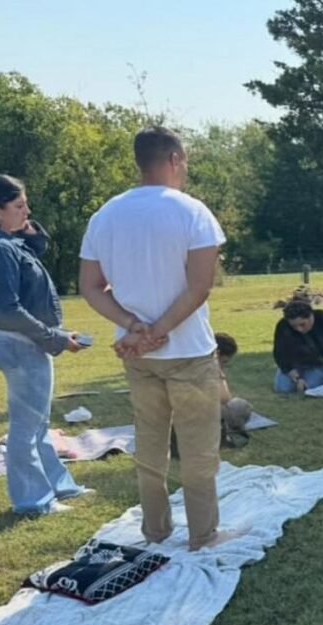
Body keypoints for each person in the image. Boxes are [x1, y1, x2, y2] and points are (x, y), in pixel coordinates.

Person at [79, 127, 228, 551]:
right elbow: (199, 287)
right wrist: (157, 332)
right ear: (175, 159)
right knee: (198, 451)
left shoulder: (105, 215)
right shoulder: (192, 211)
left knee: (150, 446)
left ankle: (155, 530)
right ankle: (203, 535)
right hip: (188, 351)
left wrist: (134, 327)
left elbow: (90, 286)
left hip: (137, 353)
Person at [0, 174, 89, 515]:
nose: (27, 211)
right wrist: (55, 338)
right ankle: (33, 501)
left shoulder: (11, 242)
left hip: (25, 341)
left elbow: (37, 248)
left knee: (38, 422)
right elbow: (6, 310)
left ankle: (59, 486)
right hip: (20, 343)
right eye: (19, 206)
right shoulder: (1, 248)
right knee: (27, 426)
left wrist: (27, 228)